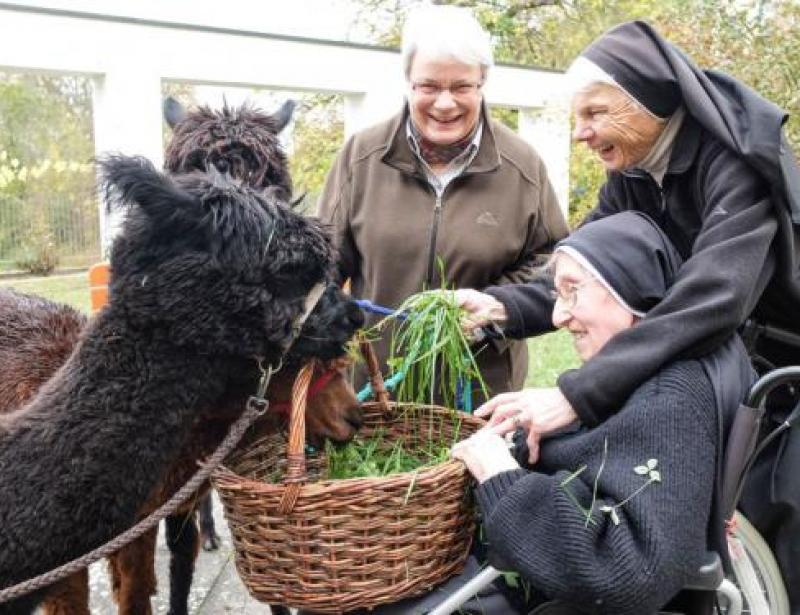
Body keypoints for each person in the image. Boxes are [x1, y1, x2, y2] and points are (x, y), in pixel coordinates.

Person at [457, 21, 800, 608]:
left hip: (784, 361)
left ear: (650, 101)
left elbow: (714, 295)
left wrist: (578, 394)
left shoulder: (732, 162)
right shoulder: (634, 173)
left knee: (784, 513)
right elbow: (588, 264)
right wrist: (502, 307)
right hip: (731, 352)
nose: (581, 132)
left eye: (594, 113)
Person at [367, 211, 753, 615]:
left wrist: (501, 475)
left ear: (631, 289)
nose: (557, 316)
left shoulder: (670, 399)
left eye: (573, 291)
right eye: (557, 294)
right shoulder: (642, 375)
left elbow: (628, 571)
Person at [317, 4, 568, 401]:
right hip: (377, 394)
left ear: (482, 82)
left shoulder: (522, 166)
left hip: (483, 397)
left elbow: (554, 264)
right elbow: (323, 266)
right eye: (430, 86)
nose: (445, 103)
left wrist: (494, 306)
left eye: (461, 87)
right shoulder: (362, 157)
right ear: (409, 83)